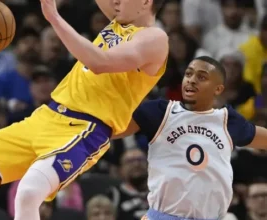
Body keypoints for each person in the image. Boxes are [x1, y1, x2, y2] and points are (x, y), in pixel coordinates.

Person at [0, 0, 168, 219]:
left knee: (28, 192)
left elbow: (100, 62)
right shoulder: (120, 20)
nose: (114, 1)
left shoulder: (154, 39)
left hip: (84, 130)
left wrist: (53, 17)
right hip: (45, 117)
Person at [114, 56, 267, 219]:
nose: (192, 80)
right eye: (188, 74)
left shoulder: (227, 119)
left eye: (201, 77)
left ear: (218, 89)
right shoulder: (160, 112)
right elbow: (114, 130)